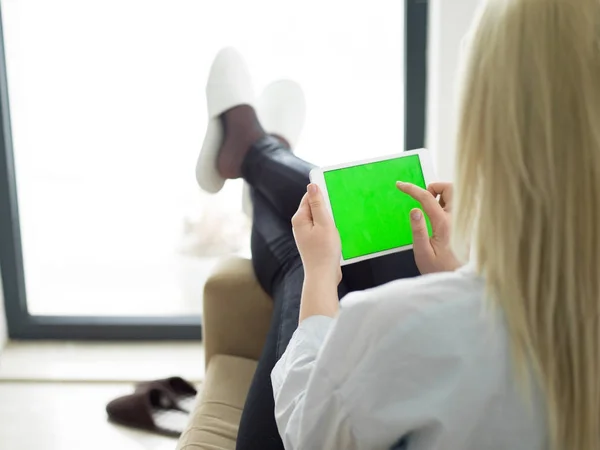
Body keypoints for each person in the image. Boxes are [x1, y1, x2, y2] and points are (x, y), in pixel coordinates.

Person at [196, 0, 600, 448]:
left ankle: (257, 153)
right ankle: (260, 151)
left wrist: (319, 275)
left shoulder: (396, 329)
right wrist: (451, 276)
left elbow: (303, 426)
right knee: (392, 242)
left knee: (300, 255)